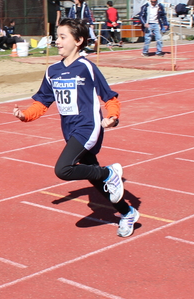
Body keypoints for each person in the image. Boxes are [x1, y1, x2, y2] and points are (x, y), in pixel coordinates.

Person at [12, 18, 137, 238]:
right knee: (95, 178)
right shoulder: (52, 71)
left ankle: (110, 172)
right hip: (69, 131)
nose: (57, 42)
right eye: (56, 37)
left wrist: (113, 117)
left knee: (64, 169)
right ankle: (127, 213)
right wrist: (25, 115)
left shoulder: (87, 67)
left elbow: (109, 97)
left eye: (63, 37)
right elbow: (42, 102)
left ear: (78, 41)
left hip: (88, 127)